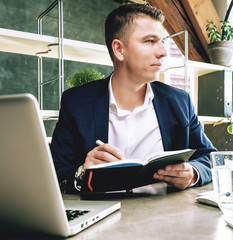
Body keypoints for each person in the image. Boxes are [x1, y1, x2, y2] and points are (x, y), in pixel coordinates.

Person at [50, 3, 217, 193]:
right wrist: (82, 172)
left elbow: (209, 157)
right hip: (103, 217)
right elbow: (55, 174)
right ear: (119, 50)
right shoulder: (75, 103)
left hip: (168, 216)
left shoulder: (180, 102)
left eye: (162, 41)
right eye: (150, 41)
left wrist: (192, 173)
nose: (163, 51)